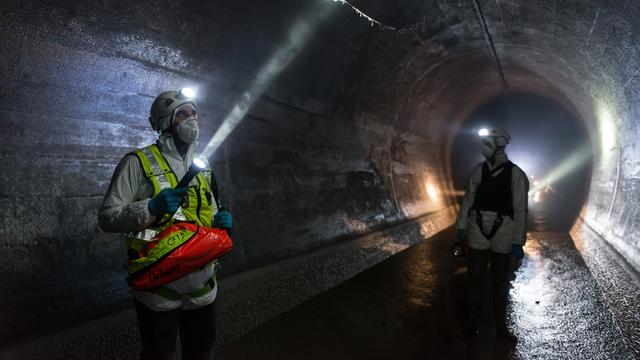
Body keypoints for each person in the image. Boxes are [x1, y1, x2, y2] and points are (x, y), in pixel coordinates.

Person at [99, 89, 233, 360]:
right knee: (158, 354)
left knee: (202, 352)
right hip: (158, 291)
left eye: (193, 113)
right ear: (163, 122)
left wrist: (223, 223)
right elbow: (107, 217)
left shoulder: (203, 167)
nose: (191, 119)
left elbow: (211, 209)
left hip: (202, 285)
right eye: (182, 114)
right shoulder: (136, 163)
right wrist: (150, 207)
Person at [455, 127, 529, 342]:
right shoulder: (479, 171)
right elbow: (468, 199)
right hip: (478, 224)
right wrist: (461, 227)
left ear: (499, 146)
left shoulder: (516, 174)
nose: (483, 149)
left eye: (487, 144)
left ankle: (500, 328)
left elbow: (520, 209)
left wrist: (518, 241)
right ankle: (471, 325)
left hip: (504, 227)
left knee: (500, 279)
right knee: (474, 278)